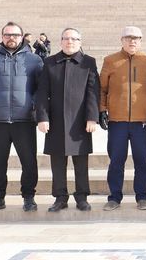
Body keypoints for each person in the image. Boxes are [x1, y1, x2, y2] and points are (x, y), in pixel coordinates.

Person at [0, 21, 43, 212]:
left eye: (14, 35)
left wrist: (33, 105)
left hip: (24, 121)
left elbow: (41, 87)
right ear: (2, 37)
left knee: (29, 161)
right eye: (7, 35)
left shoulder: (34, 60)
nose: (11, 38)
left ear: (21, 37)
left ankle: (29, 197)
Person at [36, 28, 100, 212]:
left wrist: (92, 117)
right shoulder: (49, 63)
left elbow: (92, 91)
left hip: (80, 121)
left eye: (74, 39)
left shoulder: (88, 62)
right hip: (55, 121)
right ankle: (60, 197)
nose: (69, 42)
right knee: (57, 162)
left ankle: (82, 197)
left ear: (80, 41)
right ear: (61, 41)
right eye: (66, 38)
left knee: (81, 162)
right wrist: (42, 117)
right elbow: (42, 93)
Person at [99, 26, 146, 211]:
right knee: (116, 160)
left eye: (136, 38)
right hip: (117, 121)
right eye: (128, 38)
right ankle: (114, 197)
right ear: (121, 40)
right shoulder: (110, 61)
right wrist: (102, 110)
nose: (132, 41)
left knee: (142, 161)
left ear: (141, 40)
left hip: (142, 122)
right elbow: (102, 89)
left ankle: (142, 196)